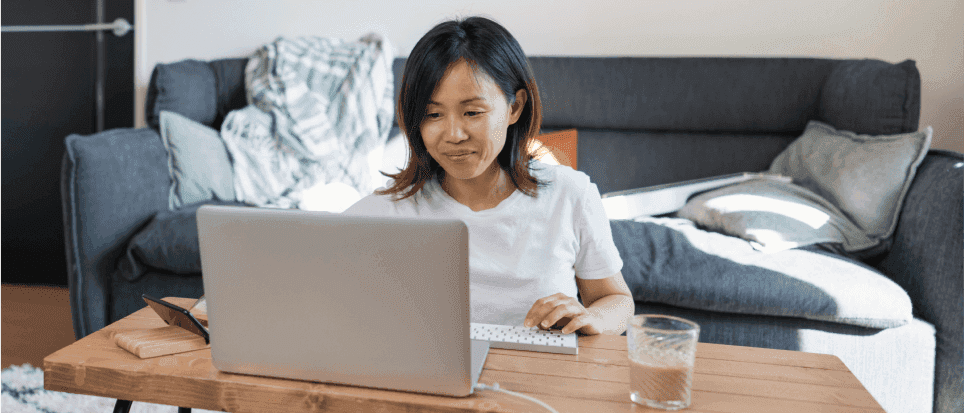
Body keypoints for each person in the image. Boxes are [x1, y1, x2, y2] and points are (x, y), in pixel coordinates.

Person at [344, 16, 634, 335]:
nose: (453, 134)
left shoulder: (571, 194)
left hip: (539, 377)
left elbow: (616, 299)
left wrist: (592, 318)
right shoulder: (391, 208)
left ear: (514, 107)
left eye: (472, 112)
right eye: (433, 114)